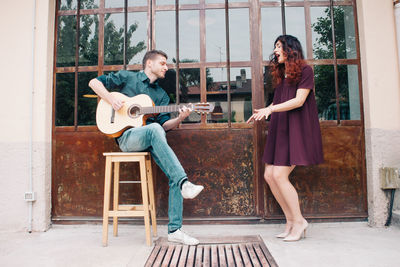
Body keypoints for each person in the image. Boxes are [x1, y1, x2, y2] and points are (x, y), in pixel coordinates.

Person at [89, 50, 204, 245]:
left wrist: (180, 118)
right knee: (154, 129)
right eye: (163, 63)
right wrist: (110, 99)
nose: (166, 67)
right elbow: (94, 83)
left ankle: (175, 229)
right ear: (149, 63)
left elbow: (165, 127)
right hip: (126, 138)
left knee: (171, 168)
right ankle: (185, 183)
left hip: (151, 141)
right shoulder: (127, 77)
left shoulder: (161, 96)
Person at [247, 35, 323, 242]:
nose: (275, 50)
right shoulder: (282, 74)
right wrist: (263, 111)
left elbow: (299, 101)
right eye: (275, 46)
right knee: (269, 176)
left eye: (279, 46)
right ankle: (290, 221)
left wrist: (270, 109)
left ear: (291, 49)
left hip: (297, 129)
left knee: (280, 175)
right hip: (281, 129)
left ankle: (299, 221)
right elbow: (279, 100)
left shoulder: (305, 71)